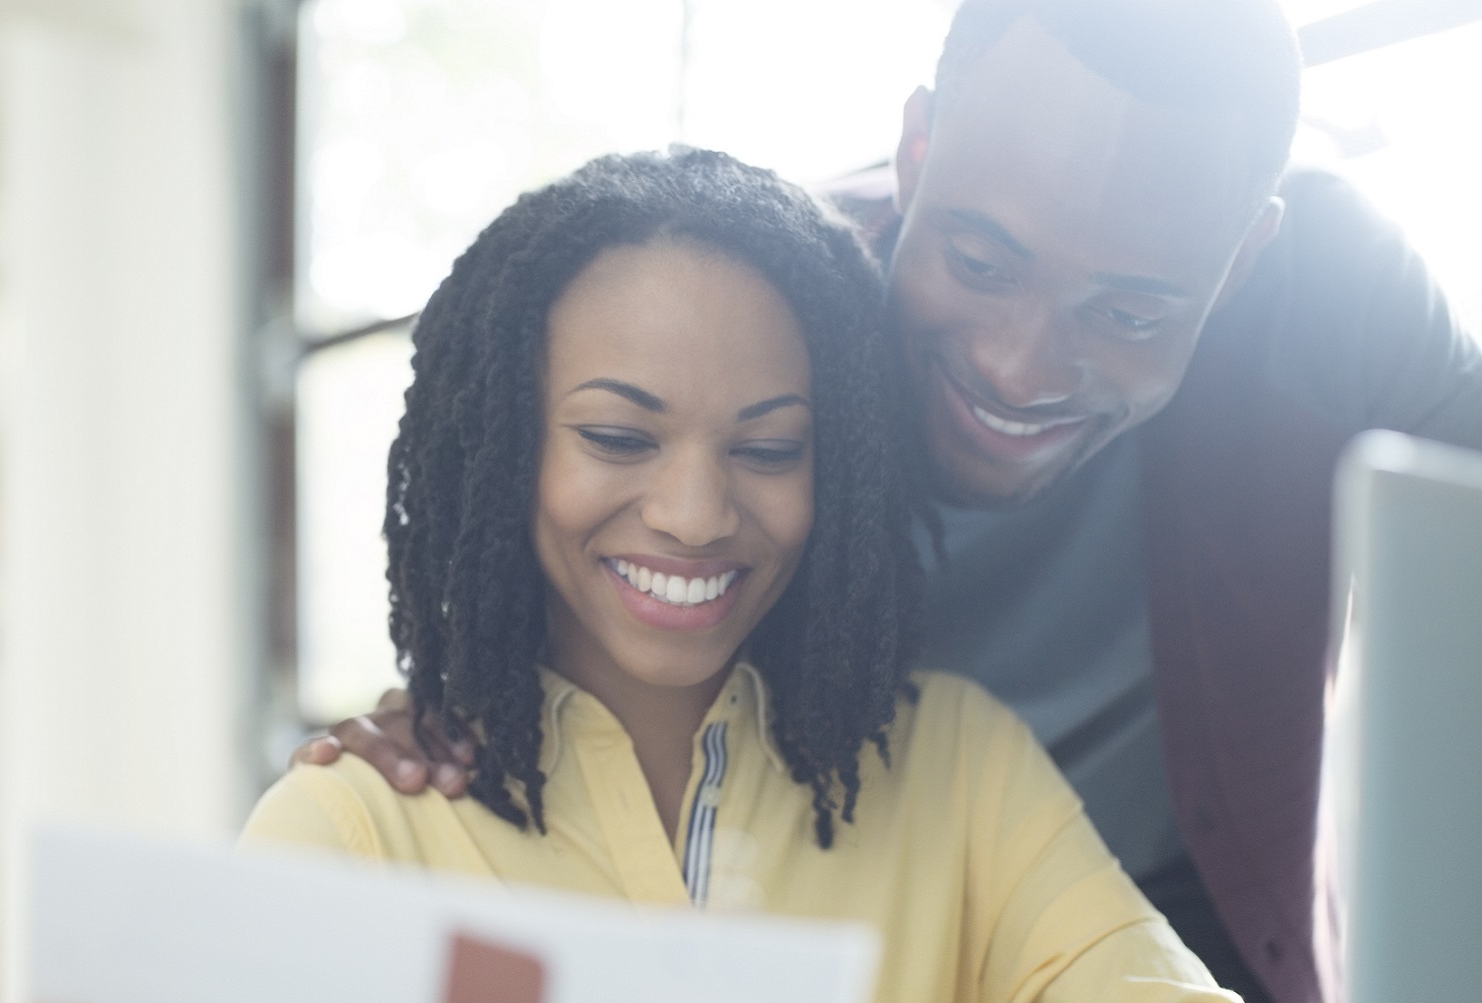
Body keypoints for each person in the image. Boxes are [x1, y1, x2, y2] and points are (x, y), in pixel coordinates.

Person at [292, 3, 1482, 1003]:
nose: (1019, 367)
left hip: (1175, 905)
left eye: (1128, 315)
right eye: (979, 263)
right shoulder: (760, 312)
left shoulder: (1344, 302)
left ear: (1239, 263)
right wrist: (467, 685)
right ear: (918, 151)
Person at [246, 146, 1239, 1003]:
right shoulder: (354, 831)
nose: (695, 514)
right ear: (501, 446)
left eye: (769, 450)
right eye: (618, 435)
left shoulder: (960, 766)